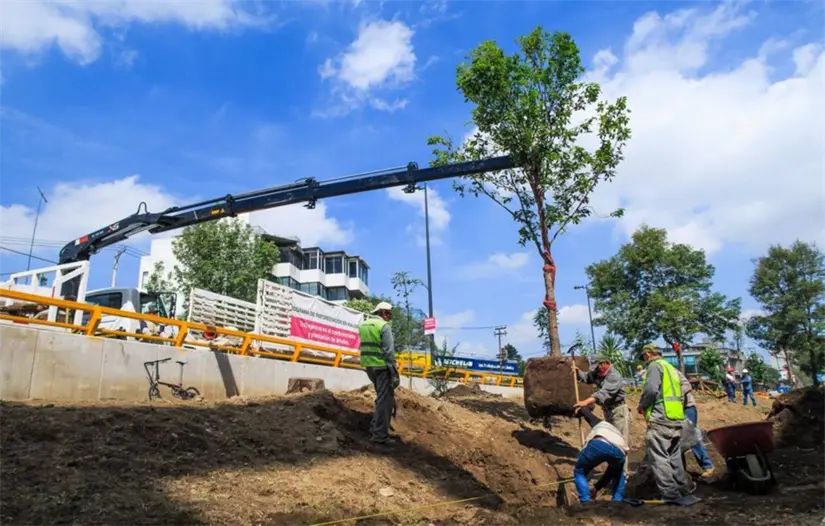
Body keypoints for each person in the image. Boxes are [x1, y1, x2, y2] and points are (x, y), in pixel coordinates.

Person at [637, 343, 693, 502]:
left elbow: (651, 390)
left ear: (648, 354)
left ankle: (670, 494)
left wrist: (642, 406)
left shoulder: (654, 367)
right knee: (674, 457)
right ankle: (683, 490)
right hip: (675, 417)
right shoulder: (670, 367)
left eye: (644, 357)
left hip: (660, 418)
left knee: (659, 457)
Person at [358, 301, 400, 445]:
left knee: (381, 398)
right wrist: (394, 369)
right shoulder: (383, 326)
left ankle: (375, 428)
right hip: (382, 366)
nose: (389, 316)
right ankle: (380, 435)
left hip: (369, 367)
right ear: (382, 312)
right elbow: (389, 351)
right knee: (385, 401)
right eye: (388, 313)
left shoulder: (363, 325)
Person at [573, 406, 628, 503]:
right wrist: (596, 488)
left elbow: (589, 415)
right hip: (620, 451)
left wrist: (580, 409)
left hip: (599, 444)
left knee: (579, 471)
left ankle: (586, 501)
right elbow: (608, 474)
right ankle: (617, 501)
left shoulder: (601, 424)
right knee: (619, 474)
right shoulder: (614, 431)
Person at [573, 358, 632, 449]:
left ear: (604, 364)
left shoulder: (613, 376)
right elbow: (587, 377)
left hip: (619, 411)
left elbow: (603, 393)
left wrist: (585, 402)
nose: (596, 370)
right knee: (610, 441)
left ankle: (620, 463)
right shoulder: (597, 372)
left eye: (597, 367)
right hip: (607, 411)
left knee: (620, 445)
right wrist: (577, 372)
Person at [677, 369, 715, 478]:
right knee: (676, 440)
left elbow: (687, 385)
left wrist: (675, 395)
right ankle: (681, 471)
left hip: (686, 408)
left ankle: (707, 465)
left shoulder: (672, 372)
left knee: (691, 438)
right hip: (673, 410)